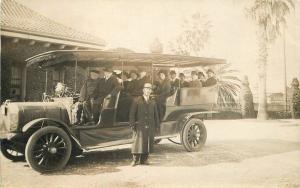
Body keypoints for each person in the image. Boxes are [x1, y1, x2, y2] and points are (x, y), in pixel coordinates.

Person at [129, 83, 160, 166]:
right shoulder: (137, 100)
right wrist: (132, 124)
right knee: (137, 142)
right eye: (146, 89)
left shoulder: (153, 102)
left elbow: (156, 114)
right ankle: (135, 160)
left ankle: (144, 160)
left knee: (147, 142)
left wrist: (157, 125)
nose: (148, 90)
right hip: (140, 125)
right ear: (143, 90)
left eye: (150, 89)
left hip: (150, 125)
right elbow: (132, 114)